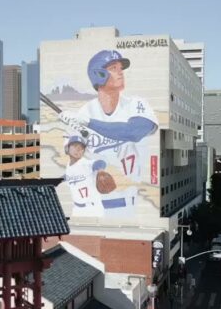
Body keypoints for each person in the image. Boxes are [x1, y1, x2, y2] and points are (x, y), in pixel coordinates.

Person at [59, 50, 158, 217]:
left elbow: (133, 132)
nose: (120, 72)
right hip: (90, 207)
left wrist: (88, 123)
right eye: (113, 67)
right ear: (98, 74)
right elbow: (72, 157)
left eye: (121, 67)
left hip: (126, 205)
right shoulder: (84, 111)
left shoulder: (136, 104)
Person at [63, 135, 106, 217]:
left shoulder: (86, 163)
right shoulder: (69, 166)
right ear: (67, 148)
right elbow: (68, 175)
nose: (78, 150)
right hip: (77, 209)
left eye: (81, 148)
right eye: (75, 146)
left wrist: (100, 170)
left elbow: (100, 162)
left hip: (93, 209)